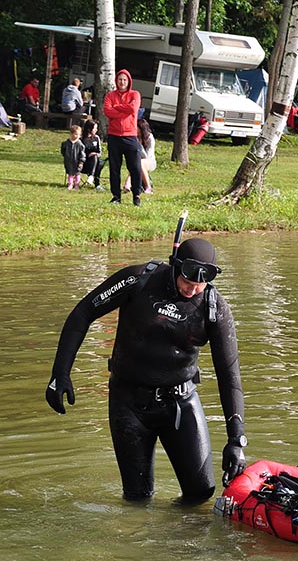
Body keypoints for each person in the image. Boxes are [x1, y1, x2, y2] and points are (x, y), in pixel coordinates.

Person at [45, 225, 247, 504]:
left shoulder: (214, 308)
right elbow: (83, 312)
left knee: (200, 494)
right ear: (175, 265)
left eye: (202, 283)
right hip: (128, 403)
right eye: (188, 279)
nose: (193, 289)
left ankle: (176, 532)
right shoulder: (138, 280)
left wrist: (236, 439)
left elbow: (229, 374)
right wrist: (60, 373)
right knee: (137, 500)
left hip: (180, 403)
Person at [103, 69, 143, 206]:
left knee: (135, 167)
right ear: (116, 81)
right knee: (114, 168)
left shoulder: (135, 94)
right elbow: (107, 111)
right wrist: (123, 111)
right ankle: (116, 196)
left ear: (129, 81)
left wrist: (117, 108)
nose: (122, 82)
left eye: (125, 79)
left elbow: (133, 109)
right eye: (120, 79)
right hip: (114, 136)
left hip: (130, 136)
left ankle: (136, 195)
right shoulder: (110, 96)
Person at [124, 116, 156, 194]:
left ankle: (148, 187)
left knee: (139, 163)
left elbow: (148, 155)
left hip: (149, 161)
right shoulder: (135, 138)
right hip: (139, 160)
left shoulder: (150, 138)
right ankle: (127, 185)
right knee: (135, 164)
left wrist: (139, 144)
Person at [81, 118, 105, 190]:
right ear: (89, 129)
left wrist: (96, 154)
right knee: (97, 162)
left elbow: (99, 152)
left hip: (95, 161)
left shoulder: (96, 138)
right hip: (83, 162)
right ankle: (96, 183)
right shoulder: (81, 139)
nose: (96, 130)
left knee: (96, 159)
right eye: (95, 128)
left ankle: (92, 177)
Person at [61, 122, 85, 189]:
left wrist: (81, 161)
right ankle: (70, 184)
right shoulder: (66, 143)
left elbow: (82, 154)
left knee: (77, 173)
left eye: (79, 134)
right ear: (71, 134)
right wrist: (66, 156)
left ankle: (77, 184)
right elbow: (63, 150)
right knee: (70, 173)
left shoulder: (80, 144)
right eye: (76, 134)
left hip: (77, 161)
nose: (77, 136)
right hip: (68, 161)